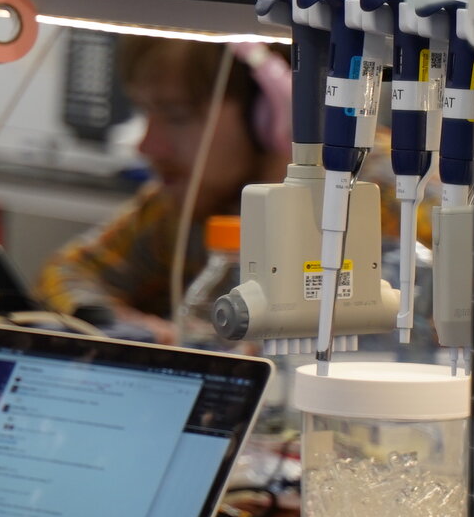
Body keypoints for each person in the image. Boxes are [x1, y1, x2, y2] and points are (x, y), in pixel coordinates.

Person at [38, 36, 290, 341]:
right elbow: (65, 273)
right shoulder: (174, 214)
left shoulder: (348, 224)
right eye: (145, 113)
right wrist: (131, 327)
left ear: (271, 116)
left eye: (176, 115)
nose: (146, 146)